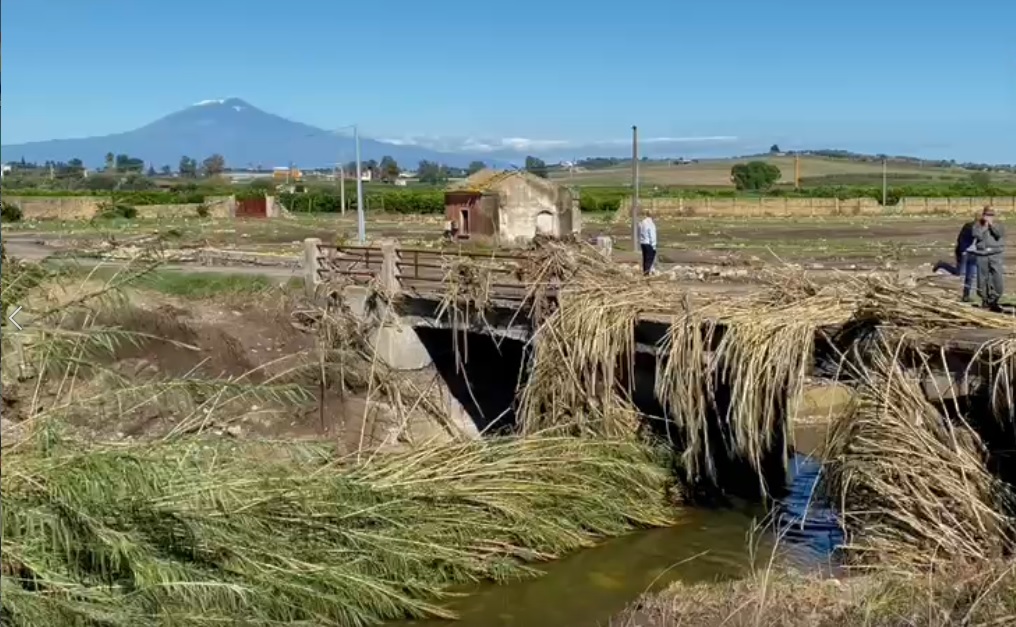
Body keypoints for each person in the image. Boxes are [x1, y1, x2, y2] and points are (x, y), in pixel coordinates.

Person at [933, 212, 978, 301]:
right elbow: (961, 239)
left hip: (974, 254)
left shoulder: (984, 228)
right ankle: (942, 264)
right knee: (959, 272)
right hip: (964, 252)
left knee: (970, 275)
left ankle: (966, 296)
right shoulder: (969, 226)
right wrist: (963, 251)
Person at [971, 206, 1005, 312]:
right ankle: (985, 300)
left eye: (991, 215)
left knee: (997, 278)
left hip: (995, 254)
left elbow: (999, 234)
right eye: (986, 214)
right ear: (983, 214)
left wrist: (991, 225)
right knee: (982, 279)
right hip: (981, 254)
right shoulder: (977, 225)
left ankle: (994, 300)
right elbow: (977, 235)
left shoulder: (999, 225)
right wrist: (985, 226)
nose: (988, 217)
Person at [637, 211, 657, 275]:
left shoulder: (642, 222)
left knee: (645, 259)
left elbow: (639, 232)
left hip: (643, 242)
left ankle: (645, 272)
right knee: (649, 259)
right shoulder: (650, 223)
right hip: (649, 243)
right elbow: (652, 234)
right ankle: (647, 273)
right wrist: (653, 245)